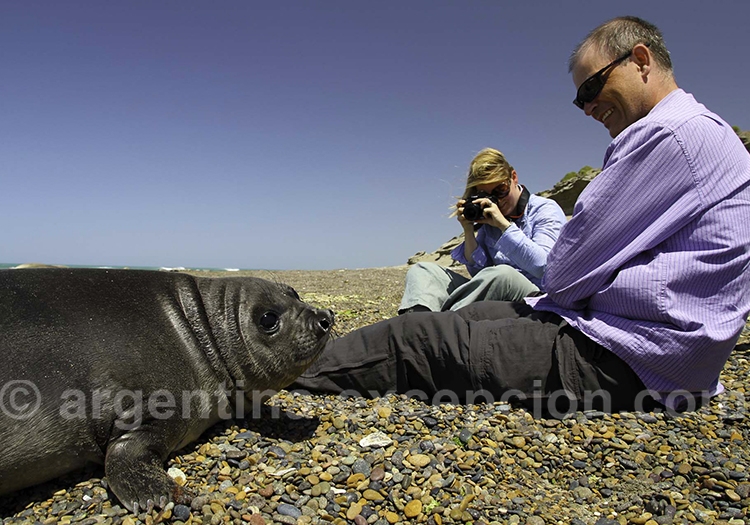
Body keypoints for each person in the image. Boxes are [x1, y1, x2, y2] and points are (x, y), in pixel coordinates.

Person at [291, 16, 750, 415]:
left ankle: (269, 381)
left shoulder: (666, 136)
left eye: (592, 87)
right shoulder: (699, 132)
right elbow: (521, 272)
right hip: (654, 349)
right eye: (580, 99)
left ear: (642, 60)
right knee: (459, 314)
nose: (588, 106)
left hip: (628, 358)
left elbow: (564, 274)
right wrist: (472, 232)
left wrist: (515, 237)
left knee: (411, 341)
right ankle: (314, 360)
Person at [398, 148, 566, 314]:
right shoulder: (489, 219)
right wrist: (469, 230)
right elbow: (478, 273)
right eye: (486, 194)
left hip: (537, 298)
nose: (497, 200)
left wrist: (504, 226)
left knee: (503, 275)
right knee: (424, 271)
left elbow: (545, 268)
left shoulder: (544, 209)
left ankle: (442, 324)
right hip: (499, 296)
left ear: (513, 177)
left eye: (500, 190)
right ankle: (418, 323)